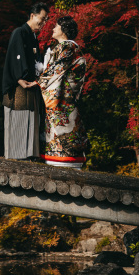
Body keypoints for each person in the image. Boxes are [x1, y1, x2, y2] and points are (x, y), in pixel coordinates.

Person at [38, 16, 89, 169]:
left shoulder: (67, 47)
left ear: (64, 29)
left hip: (62, 99)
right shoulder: (67, 48)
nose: (53, 29)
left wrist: (37, 83)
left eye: (56, 26)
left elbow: (54, 71)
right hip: (62, 99)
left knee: (62, 130)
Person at [2, 2, 49, 160]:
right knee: (19, 120)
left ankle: (29, 158)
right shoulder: (19, 32)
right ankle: (18, 158)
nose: (43, 23)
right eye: (42, 19)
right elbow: (15, 57)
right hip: (19, 87)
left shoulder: (33, 36)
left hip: (31, 85)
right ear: (32, 16)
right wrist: (20, 78)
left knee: (31, 121)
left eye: (45, 20)